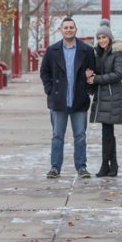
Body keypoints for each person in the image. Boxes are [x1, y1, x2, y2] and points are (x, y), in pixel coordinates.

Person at [40, 16, 96, 179]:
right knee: (57, 136)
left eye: (71, 27)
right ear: (61, 30)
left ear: (76, 30)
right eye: (66, 27)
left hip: (79, 99)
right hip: (58, 100)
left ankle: (81, 167)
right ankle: (55, 167)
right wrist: (50, 90)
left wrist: (88, 90)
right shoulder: (52, 51)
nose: (69, 30)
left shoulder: (86, 50)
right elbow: (44, 72)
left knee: (80, 136)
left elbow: (92, 71)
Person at [86, 19, 122, 177]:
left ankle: (109, 165)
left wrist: (95, 79)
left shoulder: (118, 53)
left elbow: (118, 74)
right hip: (102, 95)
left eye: (104, 37)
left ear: (110, 38)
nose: (102, 40)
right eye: (99, 38)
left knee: (107, 131)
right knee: (106, 132)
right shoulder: (98, 53)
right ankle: (110, 164)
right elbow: (94, 72)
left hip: (113, 95)